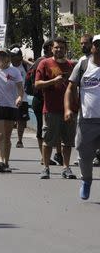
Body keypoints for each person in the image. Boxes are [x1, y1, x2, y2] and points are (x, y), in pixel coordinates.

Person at [34, 37, 76, 180]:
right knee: (48, 140)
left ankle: (66, 167)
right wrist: (53, 81)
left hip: (69, 110)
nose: (59, 50)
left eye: (62, 48)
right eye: (56, 47)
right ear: (52, 48)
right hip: (51, 109)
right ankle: (46, 168)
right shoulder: (44, 63)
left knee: (67, 141)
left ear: (66, 49)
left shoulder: (71, 65)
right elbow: (37, 84)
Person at [65, 34, 100, 200]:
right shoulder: (84, 64)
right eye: (97, 44)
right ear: (92, 47)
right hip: (88, 119)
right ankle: (86, 181)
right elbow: (70, 89)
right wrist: (67, 109)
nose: (99, 48)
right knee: (84, 154)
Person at [26, 40, 54, 163]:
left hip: (52, 100)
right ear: (48, 48)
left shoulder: (56, 61)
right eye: (55, 47)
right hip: (40, 99)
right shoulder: (41, 61)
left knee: (52, 128)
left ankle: (52, 155)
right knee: (41, 128)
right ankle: (44, 157)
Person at [9, 47, 31, 148]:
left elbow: (36, 65)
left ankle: (19, 140)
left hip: (23, 98)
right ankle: (6, 138)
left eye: (14, 56)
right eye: (11, 56)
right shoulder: (7, 66)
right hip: (9, 98)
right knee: (9, 120)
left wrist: (24, 60)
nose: (12, 58)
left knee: (21, 121)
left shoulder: (25, 67)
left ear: (20, 57)